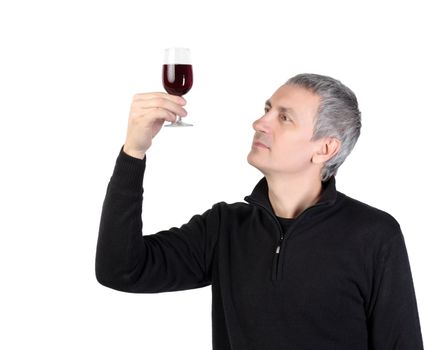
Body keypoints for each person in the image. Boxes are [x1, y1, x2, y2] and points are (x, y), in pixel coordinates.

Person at [96, 73, 424, 349]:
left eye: (284, 117)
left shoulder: (374, 234)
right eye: (267, 109)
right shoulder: (225, 227)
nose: (259, 123)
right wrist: (134, 151)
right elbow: (121, 269)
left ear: (325, 148)